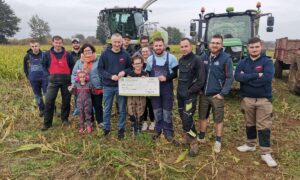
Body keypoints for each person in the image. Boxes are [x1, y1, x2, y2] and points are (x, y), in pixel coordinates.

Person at [235, 37, 277, 167]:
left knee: (264, 125)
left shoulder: (267, 62)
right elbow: (237, 76)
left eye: (256, 47)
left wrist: (246, 79)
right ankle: (250, 144)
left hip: (263, 99)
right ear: (248, 48)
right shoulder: (243, 62)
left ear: (261, 47)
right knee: (249, 123)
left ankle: (265, 152)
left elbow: (267, 78)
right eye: (251, 47)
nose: (254, 49)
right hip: (247, 99)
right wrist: (256, 75)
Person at [198, 34, 233, 153]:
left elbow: (229, 77)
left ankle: (218, 140)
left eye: (218, 43)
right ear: (209, 44)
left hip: (216, 95)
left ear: (222, 45)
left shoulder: (226, 59)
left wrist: (223, 93)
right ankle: (201, 136)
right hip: (203, 94)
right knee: (202, 116)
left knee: (218, 118)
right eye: (213, 43)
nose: (215, 45)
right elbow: (199, 73)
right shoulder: (203, 57)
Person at [98, 33, 131, 139]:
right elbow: (100, 69)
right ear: (111, 42)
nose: (117, 44)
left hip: (121, 86)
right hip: (108, 86)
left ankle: (121, 129)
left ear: (122, 42)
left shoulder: (125, 55)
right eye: (115, 42)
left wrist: (124, 72)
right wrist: (110, 76)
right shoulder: (105, 54)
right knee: (107, 108)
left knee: (122, 109)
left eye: (119, 42)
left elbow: (130, 68)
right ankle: (106, 129)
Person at [146, 37, 178, 142]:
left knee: (167, 111)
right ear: (153, 47)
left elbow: (176, 73)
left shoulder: (171, 58)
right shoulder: (150, 59)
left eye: (160, 45)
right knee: (157, 110)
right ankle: (158, 130)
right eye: (156, 46)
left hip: (167, 88)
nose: (158, 47)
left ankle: (168, 131)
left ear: (164, 46)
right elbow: (148, 73)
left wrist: (167, 78)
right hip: (154, 89)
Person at [177, 38, 206, 156]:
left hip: (190, 96)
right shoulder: (181, 60)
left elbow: (200, 80)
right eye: (182, 47)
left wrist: (190, 91)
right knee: (182, 117)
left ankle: (194, 141)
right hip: (180, 95)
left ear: (191, 46)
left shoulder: (197, 60)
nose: (184, 49)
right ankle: (187, 137)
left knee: (187, 118)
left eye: (186, 46)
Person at [41, 35, 74, 131]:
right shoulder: (47, 54)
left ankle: (64, 119)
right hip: (53, 81)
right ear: (53, 43)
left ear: (62, 43)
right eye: (56, 42)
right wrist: (47, 76)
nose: (58, 44)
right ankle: (47, 123)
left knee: (66, 101)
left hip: (66, 81)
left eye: (59, 43)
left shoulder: (67, 54)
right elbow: (43, 66)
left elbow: (72, 66)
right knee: (49, 101)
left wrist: (70, 76)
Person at [72, 43, 104, 127]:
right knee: (88, 106)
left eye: (89, 50)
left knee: (98, 105)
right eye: (85, 51)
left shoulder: (98, 60)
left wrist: (103, 83)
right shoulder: (79, 62)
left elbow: (102, 72)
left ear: (92, 51)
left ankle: (100, 121)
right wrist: (74, 84)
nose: (87, 52)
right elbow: (74, 74)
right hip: (84, 88)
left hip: (97, 87)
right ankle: (90, 120)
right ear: (82, 52)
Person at [23, 39, 48, 117]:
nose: (34, 48)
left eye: (36, 46)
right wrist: (28, 76)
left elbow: (49, 65)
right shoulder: (27, 56)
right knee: (37, 95)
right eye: (32, 46)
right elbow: (25, 67)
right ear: (30, 47)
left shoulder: (44, 54)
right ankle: (42, 110)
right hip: (34, 79)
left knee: (47, 95)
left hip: (44, 78)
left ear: (39, 46)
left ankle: (51, 109)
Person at [127, 55, 148, 135]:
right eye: (135, 64)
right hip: (131, 97)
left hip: (141, 97)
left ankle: (139, 126)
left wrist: (145, 81)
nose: (137, 65)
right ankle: (133, 126)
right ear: (133, 65)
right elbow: (125, 86)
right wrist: (127, 81)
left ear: (142, 64)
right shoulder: (129, 74)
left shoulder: (145, 74)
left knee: (140, 110)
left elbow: (149, 86)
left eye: (139, 63)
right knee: (131, 110)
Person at [141, 46, 155, 131]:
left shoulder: (153, 62)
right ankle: (145, 122)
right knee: (143, 105)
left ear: (150, 52)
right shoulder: (139, 62)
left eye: (147, 51)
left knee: (151, 105)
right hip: (141, 88)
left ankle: (153, 122)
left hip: (150, 87)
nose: (145, 53)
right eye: (143, 51)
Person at [70, 38, 81, 116]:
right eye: (74, 43)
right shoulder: (69, 54)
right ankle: (77, 109)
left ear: (79, 44)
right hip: (74, 76)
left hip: (84, 76)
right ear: (72, 44)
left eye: (77, 43)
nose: (75, 44)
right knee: (76, 93)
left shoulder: (83, 53)